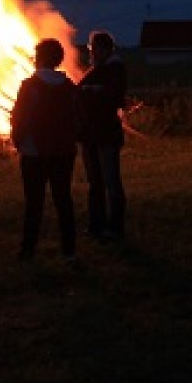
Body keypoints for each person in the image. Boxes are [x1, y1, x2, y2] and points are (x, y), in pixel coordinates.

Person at [10, 38, 80, 260]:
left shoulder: (29, 86)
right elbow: (77, 117)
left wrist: (19, 141)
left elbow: (20, 118)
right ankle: (69, 250)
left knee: (34, 202)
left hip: (34, 152)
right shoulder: (69, 86)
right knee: (63, 199)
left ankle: (28, 249)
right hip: (63, 151)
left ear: (38, 58)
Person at [77, 30, 127, 240]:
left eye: (95, 48)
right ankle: (96, 224)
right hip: (90, 135)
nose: (92, 52)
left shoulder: (114, 69)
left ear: (106, 49)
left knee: (110, 181)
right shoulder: (96, 70)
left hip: (106, 135)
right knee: (95, 182)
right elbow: (79, 92)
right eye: (91, 49)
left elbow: (110, 95)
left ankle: (114, 226)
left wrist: (92, 92)